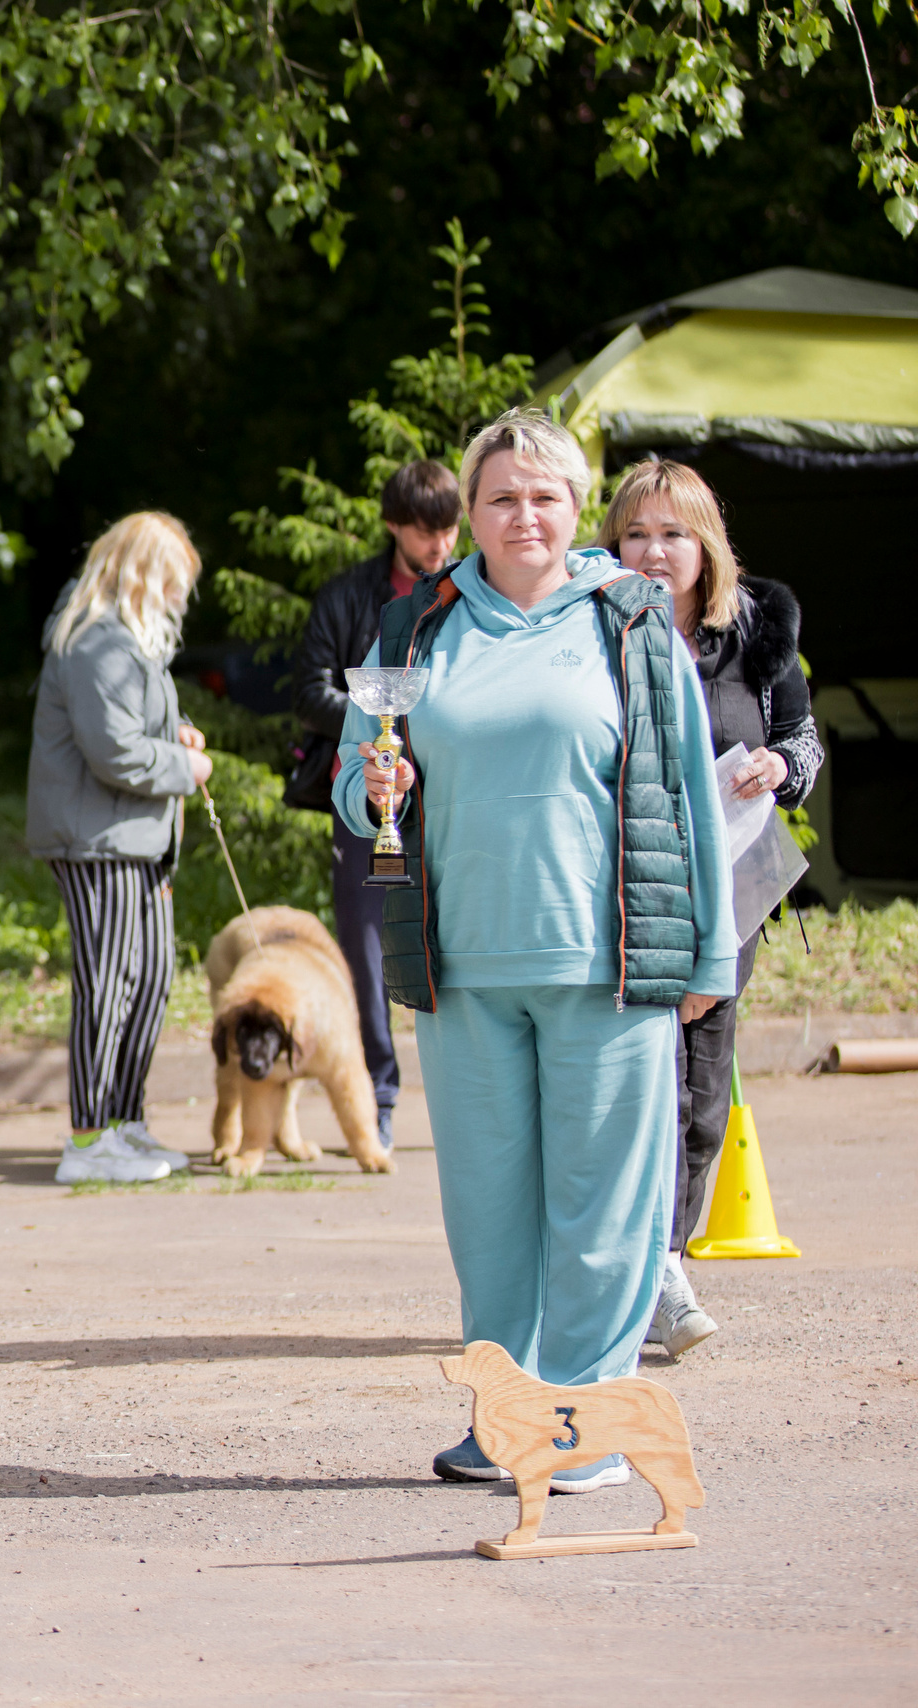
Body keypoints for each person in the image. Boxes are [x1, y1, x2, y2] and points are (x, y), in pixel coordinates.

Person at [334, 409, 735, 1494]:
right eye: (501, 496)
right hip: (461, 968)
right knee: (490, 1214)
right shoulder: (418, 628)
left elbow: (691, 790)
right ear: (468, 511)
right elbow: (354, 776)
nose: (524, 515)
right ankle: (505, 1417)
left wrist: (711, 954)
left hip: (606, 962)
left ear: (575, 508)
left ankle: (584, 1429)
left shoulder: (631, 622)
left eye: (544, 495)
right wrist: (373, 787)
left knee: (605, 1213)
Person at [596, 455, 823, 1358]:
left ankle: (668, 1265)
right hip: (622, 894)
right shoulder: (592, 630)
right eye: (637, 533)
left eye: (674, 534)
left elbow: (802, 741)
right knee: (625, 1089)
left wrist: (779, 769)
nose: (654, 551)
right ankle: (629, 1274)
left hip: (731, 891)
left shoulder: (756, 637)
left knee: (699, 1099)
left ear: (708, 546)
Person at [26, 512, 213, 1184]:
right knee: (108, 986)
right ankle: (86, 1141)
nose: (180, 597)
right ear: (144, 573)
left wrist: (180, 732)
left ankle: (124, 1123)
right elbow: (115, 752)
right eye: (174, 581)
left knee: (152, 976)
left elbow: (143, 721)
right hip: (96, 839)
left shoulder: (128, 640)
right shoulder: (97, 641)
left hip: (138, 838)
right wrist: (186, 767)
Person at [288, 461, 463, 1152]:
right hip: (363, 797)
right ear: (393, 525)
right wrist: (379, 719)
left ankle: (464, 1098)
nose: (439, 545)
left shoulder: (464, 595)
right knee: (364, 952)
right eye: (425, 531)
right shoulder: (348, 597)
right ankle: (379, 1095)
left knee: (450, 944)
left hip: (442, 803)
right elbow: (307, 691)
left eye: (449, 529)